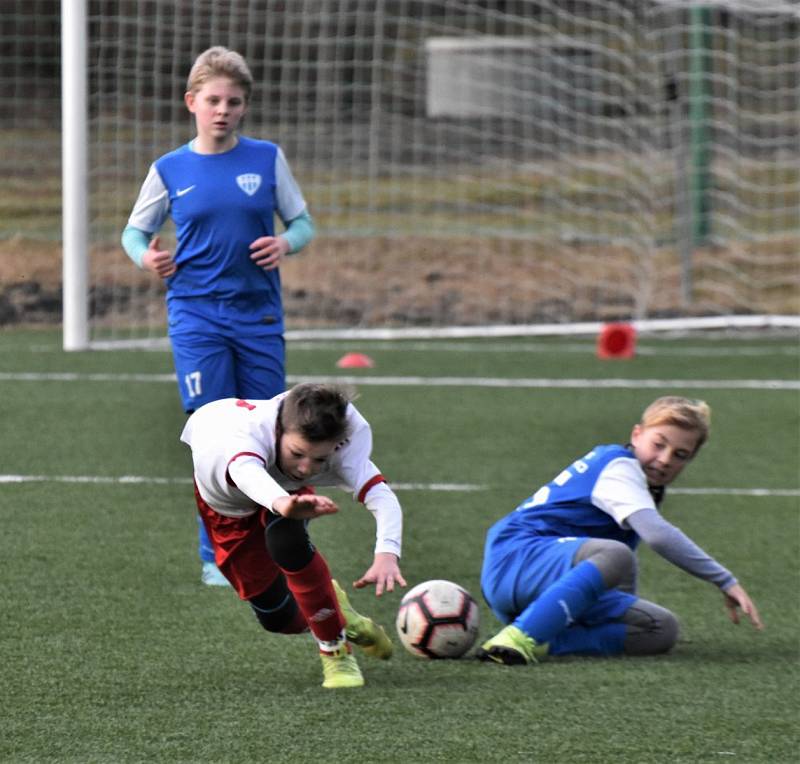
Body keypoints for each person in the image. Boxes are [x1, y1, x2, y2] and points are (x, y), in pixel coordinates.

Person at [121, 47, 316, 586]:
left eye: (233, 101)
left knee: (271, 432)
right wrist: (147, 256)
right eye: (213, 100)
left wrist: (285, 243)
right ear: (192, 102)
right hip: (197, 315)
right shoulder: (169, 170)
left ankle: (280, 539)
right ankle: (216, 554)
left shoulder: (266, 159)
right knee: (214, 434)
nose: (222, 109)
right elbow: (134, 232)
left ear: (244, 106)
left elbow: (302, 223)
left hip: (258, 316)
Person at [478, 396, 763, 665]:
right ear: (637, 435)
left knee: (661, 629)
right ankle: (519, 637)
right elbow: (658, 536)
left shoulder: (644, 484)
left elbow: (617, 573)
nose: (665, 459)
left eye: (680, 454)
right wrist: (725, 580)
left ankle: (547, 640)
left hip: (534, 584)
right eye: (659, 444)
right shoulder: (620, 467)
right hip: (516, 559)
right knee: (616, 553)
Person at [180, 383, 407, 688]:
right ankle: (338, 612)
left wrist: (387, 554)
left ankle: (336, 652)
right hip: (230, 513)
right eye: (297, 454)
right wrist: (284, 503)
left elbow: (382, 496)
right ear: (278, 430)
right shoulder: (243, 437)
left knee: (288, 543)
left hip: (287, 496)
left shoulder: (341, 441)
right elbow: (248, 475)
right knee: (277, 619)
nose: (306, 468)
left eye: (319, 460)